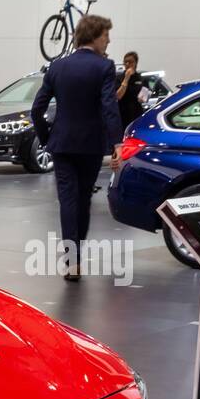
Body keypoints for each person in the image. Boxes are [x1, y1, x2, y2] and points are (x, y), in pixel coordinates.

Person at [31, 14, 124, 281]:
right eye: (106, 35)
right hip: (91, 145)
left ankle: (71, 261)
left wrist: (47, 137)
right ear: (95, 36)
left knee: (67, 200)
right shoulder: (104, 67)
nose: (109, 40)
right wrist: (117, 142)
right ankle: (77, 257)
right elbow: (109, 106)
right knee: (83, 199)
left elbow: (37, 109)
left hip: (62, 143)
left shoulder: (57, 66)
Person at [116, 50, 146, 128]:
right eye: (125, 62)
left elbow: (146, 94)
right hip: (122, 114)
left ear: (135, 63)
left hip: (136, 113)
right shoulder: (119, 78)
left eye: (130, 62)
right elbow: (118, 96)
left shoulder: (141, 78)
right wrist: (126, 78)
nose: (127, 64)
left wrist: (144, 98)